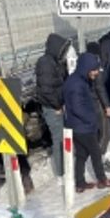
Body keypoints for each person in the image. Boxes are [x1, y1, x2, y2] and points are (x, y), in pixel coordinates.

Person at [64, 52, 110, 191]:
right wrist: (92, 119)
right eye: (94, 69)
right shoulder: (77, 84)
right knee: (95, 153)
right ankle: (102, 180)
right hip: (83, 127)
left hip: (76, 125)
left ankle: (80, 183)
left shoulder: (75, 79)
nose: (96, 73)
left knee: (82, 155)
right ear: (86, 68)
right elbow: (78, 107)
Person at [33, 33, 69, 180]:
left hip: (58, 105)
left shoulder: (55, 61)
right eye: (62, 49)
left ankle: (65, 166)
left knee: (63, 137)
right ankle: (61, 172)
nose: (64, 53)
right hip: (52, 107)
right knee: (58, 138)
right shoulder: (45, 63)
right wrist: (57, 105)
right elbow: (46, 89)